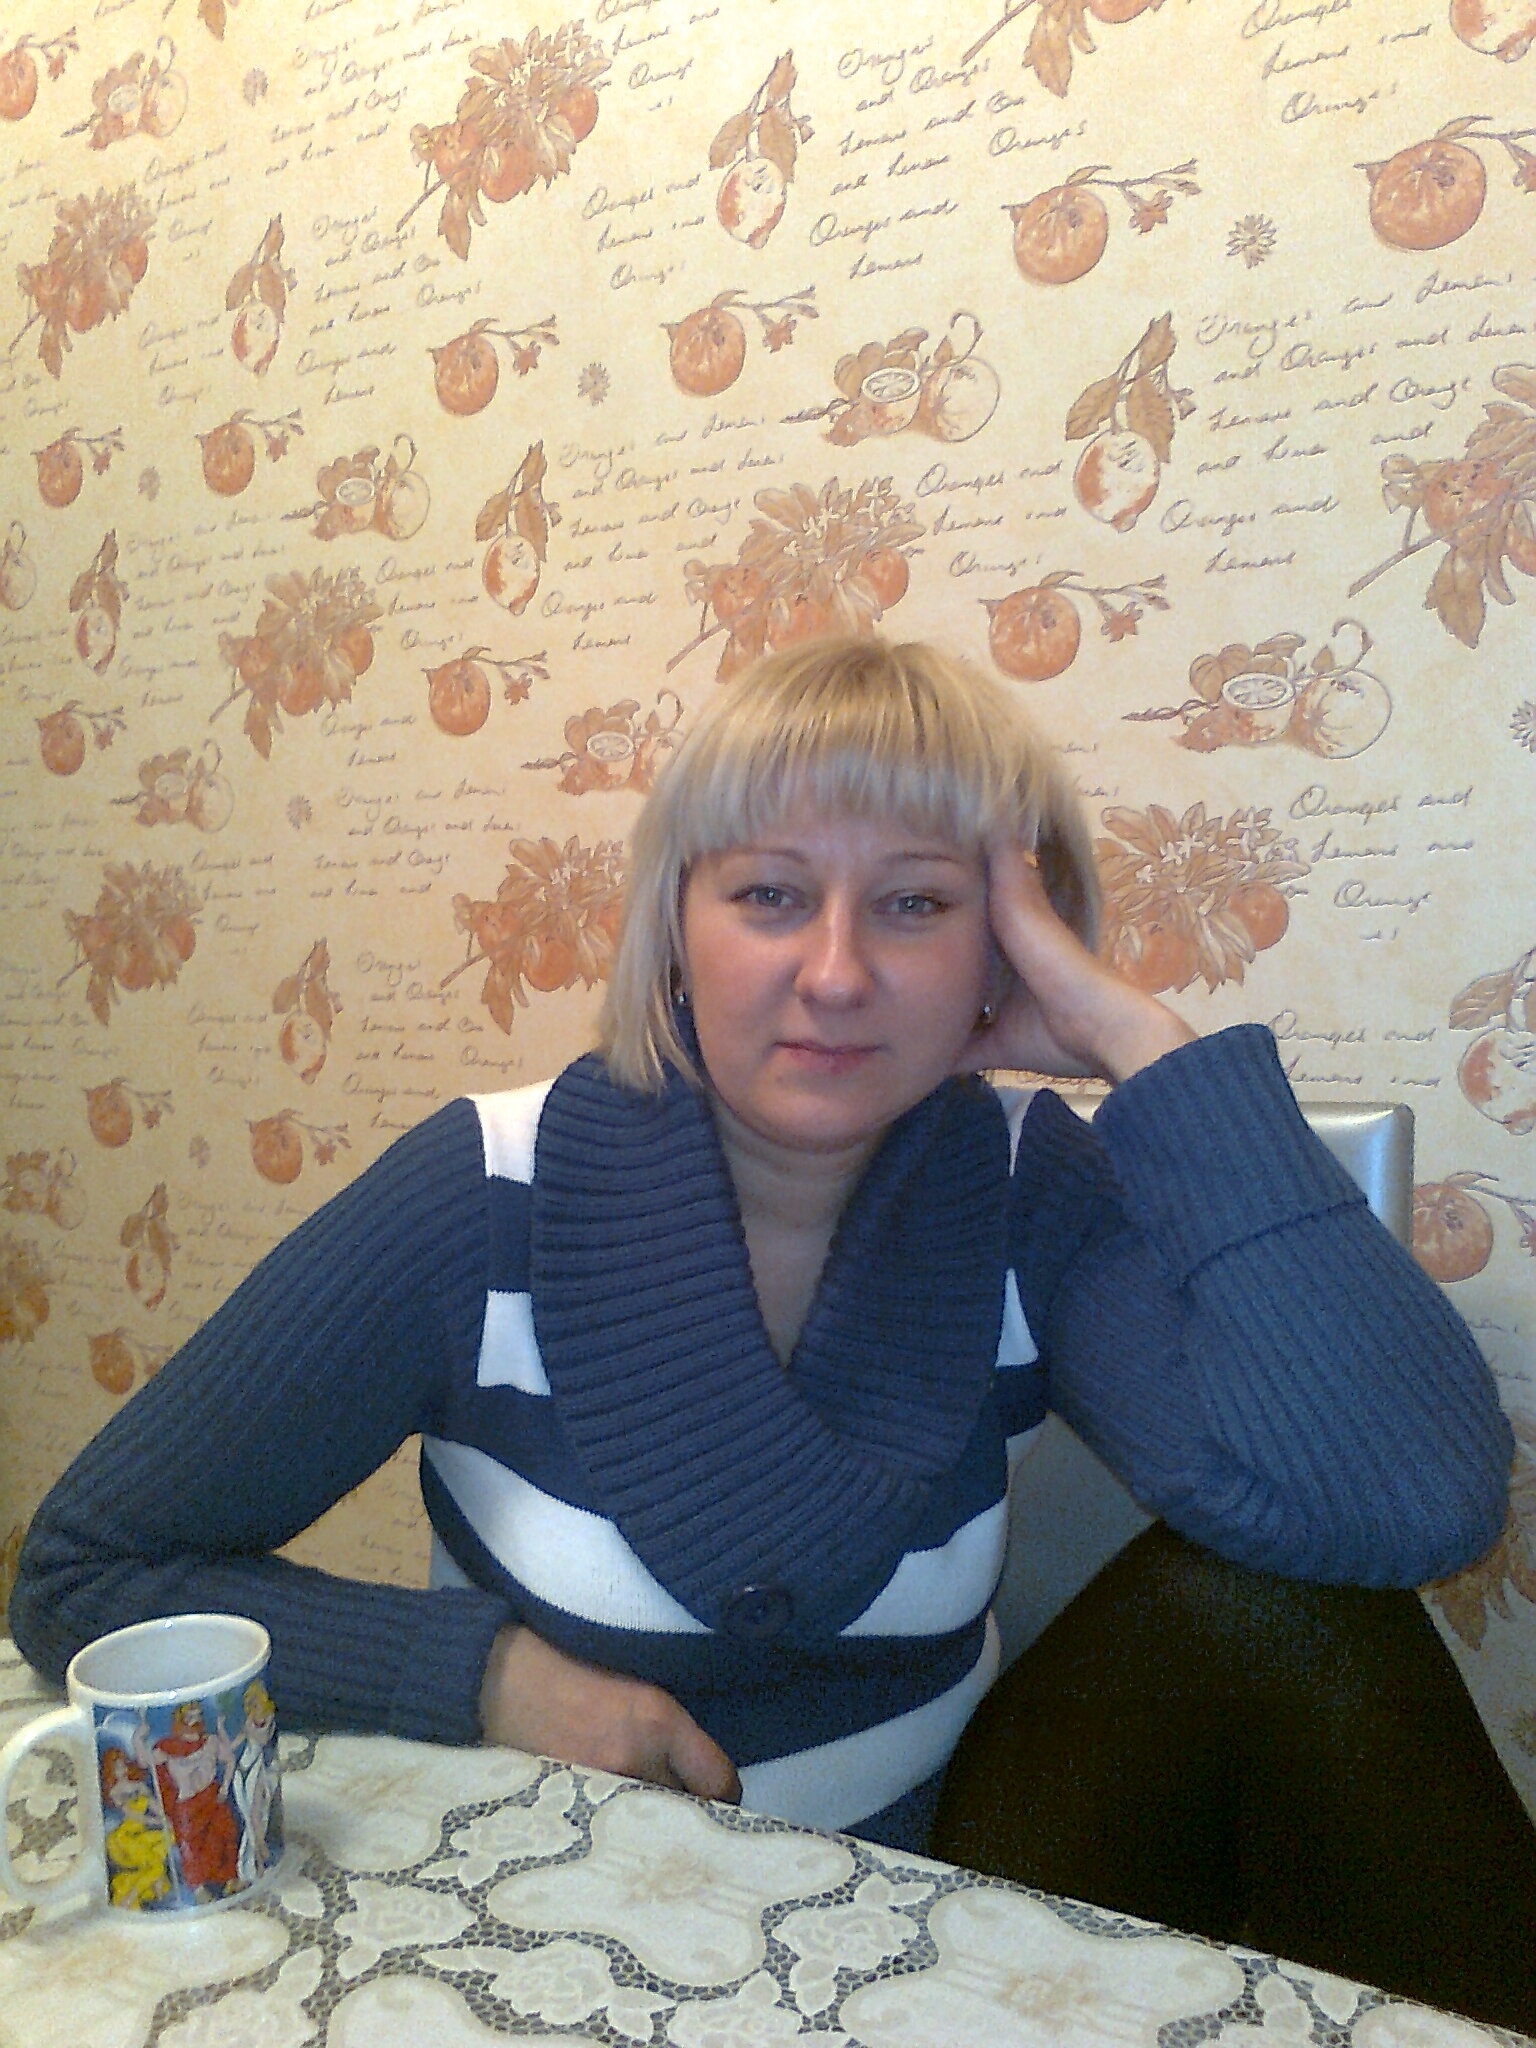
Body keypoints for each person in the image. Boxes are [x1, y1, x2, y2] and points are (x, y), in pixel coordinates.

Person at [11, 638, 1533, 2024]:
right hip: (561, 1910)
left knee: (1292, 1613)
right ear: (675, 926)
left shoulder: (1025, 1187)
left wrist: (1144, 1047)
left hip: (945, 1908)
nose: (838, 973)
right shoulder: (484, 1191)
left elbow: (1411, 1501)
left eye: (918, 904)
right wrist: (486, 1679)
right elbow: (90, 1570)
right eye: (770, 895)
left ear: (1004, 948)